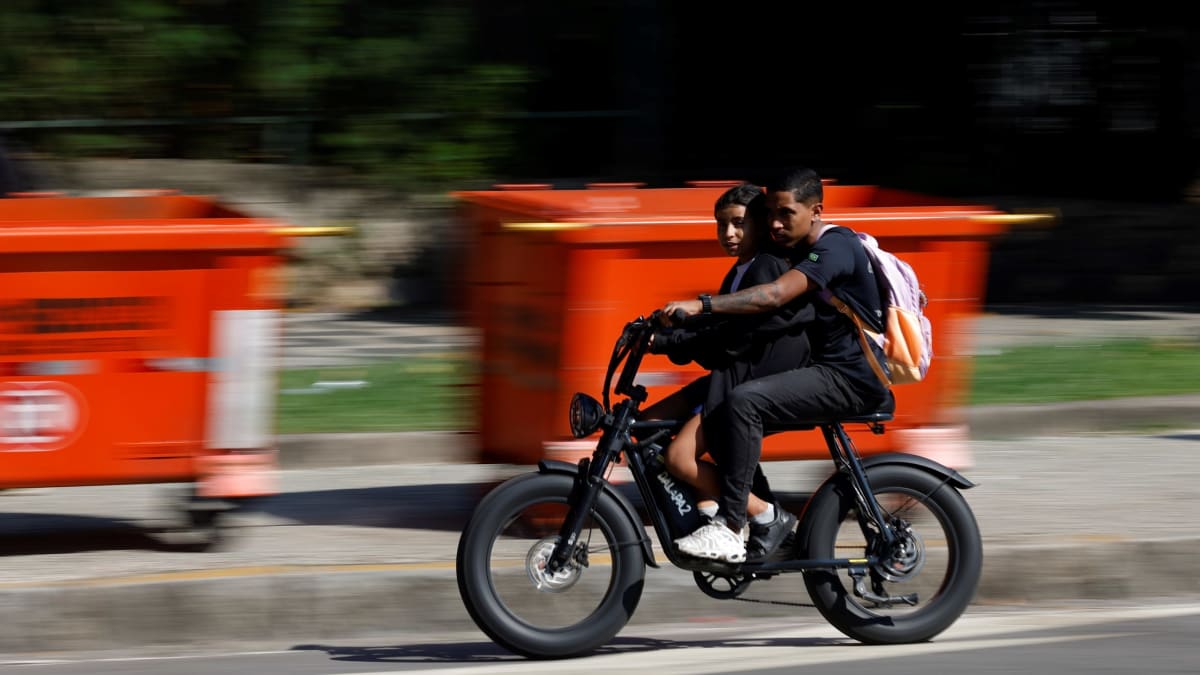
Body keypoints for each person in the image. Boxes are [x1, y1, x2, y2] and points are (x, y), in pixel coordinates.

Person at [663, 166, 892, 563]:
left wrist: (700, 305)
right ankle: (759, 517)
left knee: (744, 401)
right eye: (770, 213)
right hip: (818, 370)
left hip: (850, 377)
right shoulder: (794, 251)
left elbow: (772, 297)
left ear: (816, 211)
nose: (774, 222)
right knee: (725, 405)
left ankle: (733, 528)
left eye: (786, 213)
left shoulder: (835, 247)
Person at [641, 182, 812, 562]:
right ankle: (708, 513)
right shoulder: (740, 270)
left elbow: (733, 337)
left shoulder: (765, 266)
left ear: (760, 224)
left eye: (738, 224)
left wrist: (670, 342)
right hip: (728, 376)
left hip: (745, 383)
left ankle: (767, 515)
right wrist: (667, 332)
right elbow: (715, 332)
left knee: (679, 459)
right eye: (721, 225)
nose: (728, 234)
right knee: (646, 427)